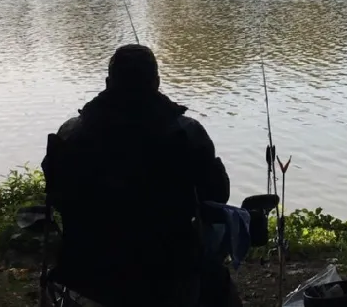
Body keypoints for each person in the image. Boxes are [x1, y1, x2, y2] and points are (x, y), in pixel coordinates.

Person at [42, 44, 237, 307]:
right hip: (168, 268)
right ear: (156, 82)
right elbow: (217, 194)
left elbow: (56, 196)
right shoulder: (186, 134)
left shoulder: (70, 134)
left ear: (109, 82)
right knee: (217, 282)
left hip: (87, 270)